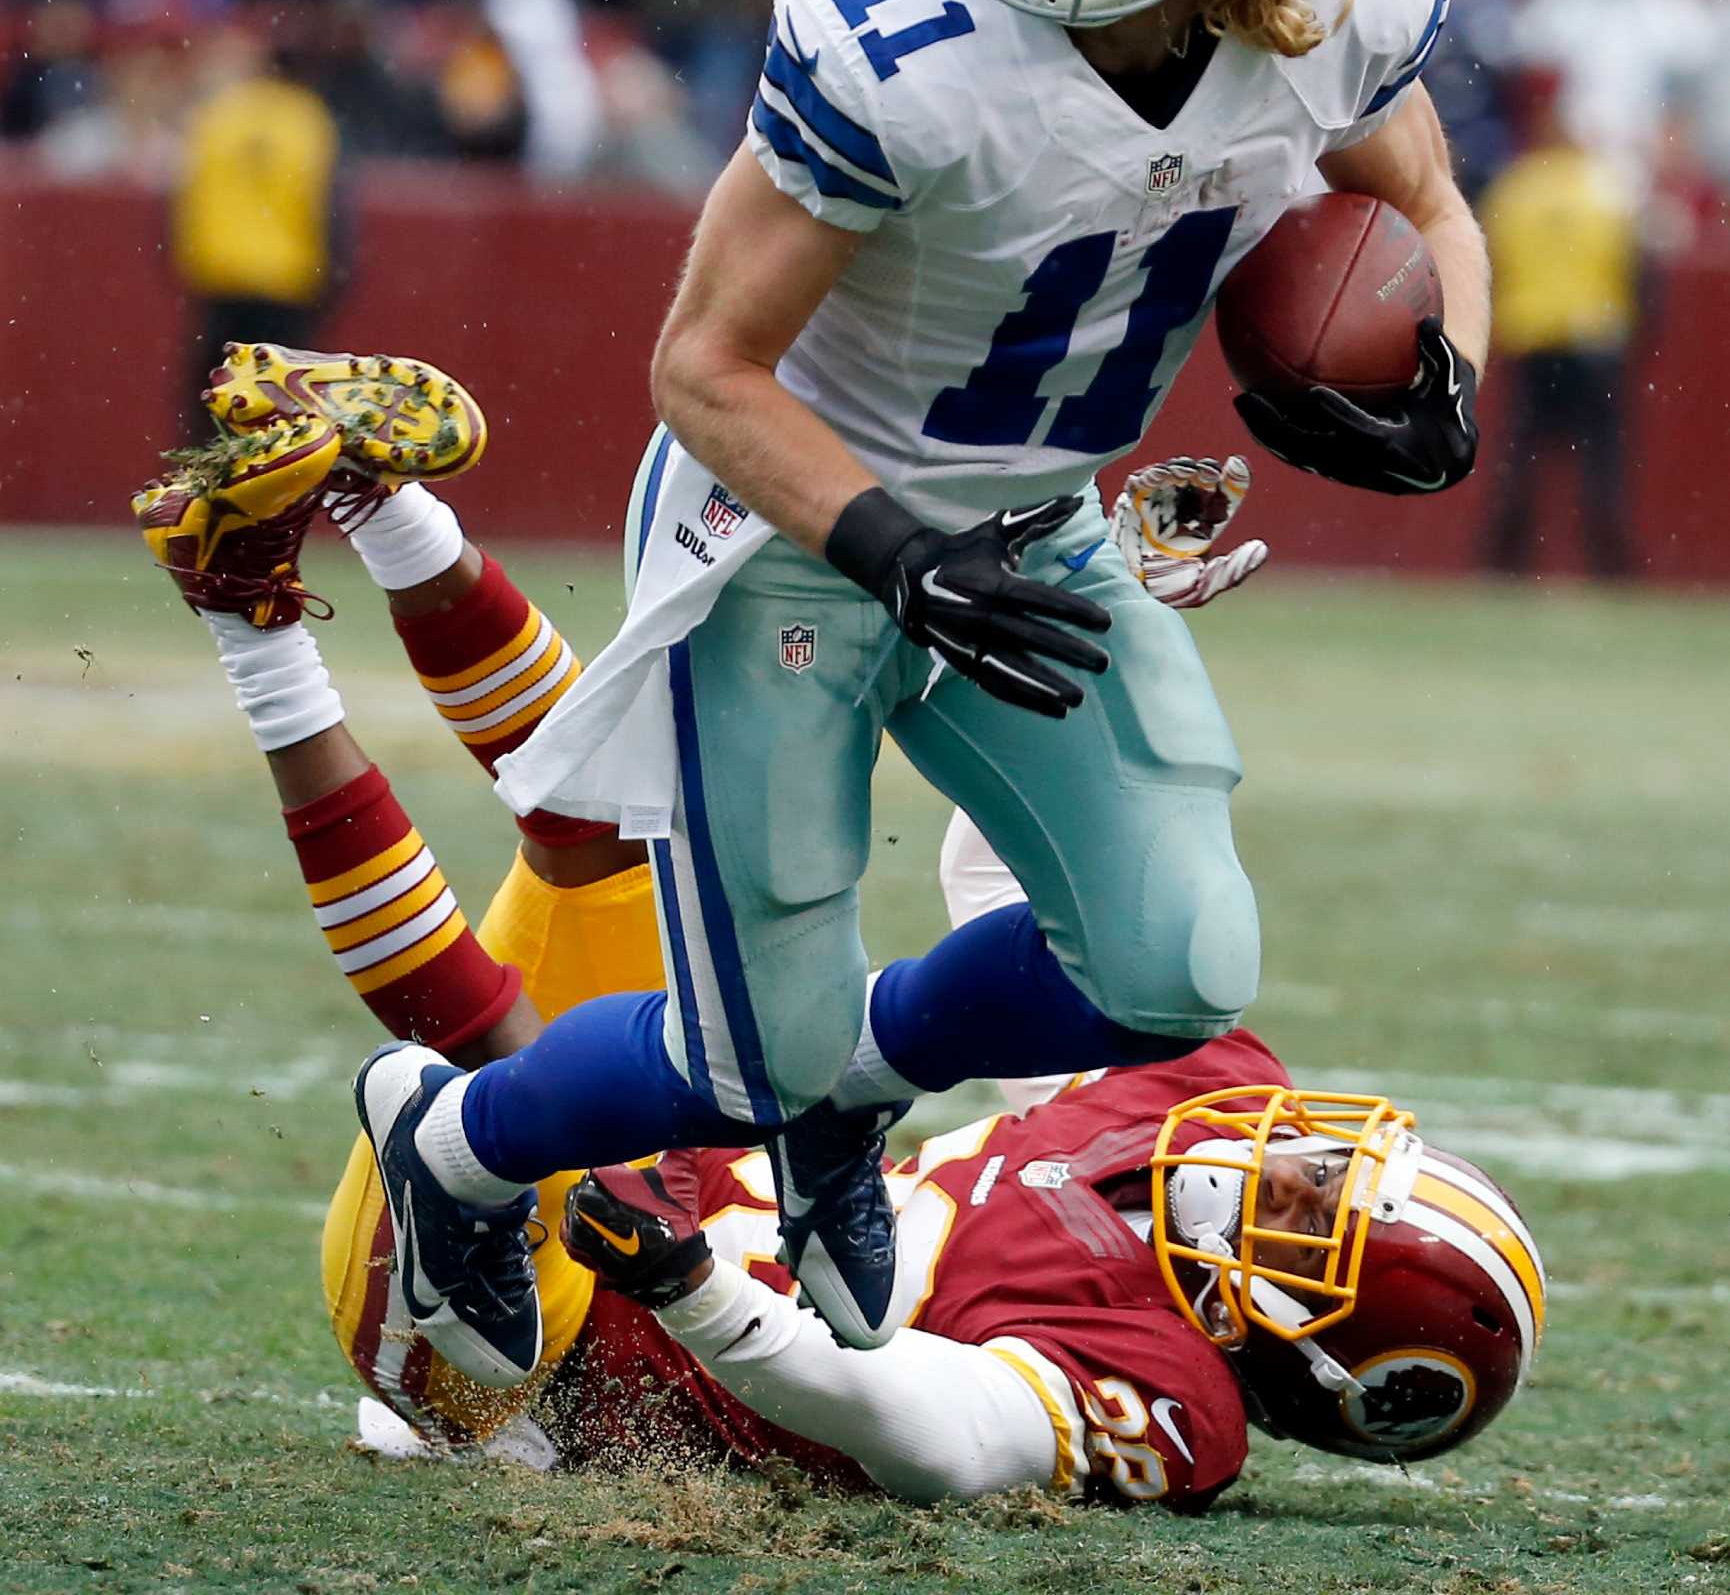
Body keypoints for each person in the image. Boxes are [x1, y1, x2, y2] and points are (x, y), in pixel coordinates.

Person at [339, 0, 1493, 1372]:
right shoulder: (898, 34)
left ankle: (844, 1086)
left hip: (1032, 525)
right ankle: (446, 1144)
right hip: (791, 538)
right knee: (736, 1061)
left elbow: (1418, 204)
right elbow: (701, 370)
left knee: (1175, 966)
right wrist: (889, 546)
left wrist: (1447, 380)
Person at [131, 369, 1539, 1507]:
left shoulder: (1167, 1394)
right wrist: (1105, 638)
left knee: (500, 1047)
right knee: (605, 839)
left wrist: (694, 1298)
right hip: (700, 1143)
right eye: (1321, 1169)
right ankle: (372, 502)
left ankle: (253, 622)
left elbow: (928, 1433)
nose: (1281, 1164)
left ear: (1312, 1352)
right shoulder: (1209, 1102)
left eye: (1307, 1220)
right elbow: (1023, 887)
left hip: (537, 1364)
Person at [1478, 73, 1645, 580]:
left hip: (1533, 338)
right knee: (1602, 464)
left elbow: (1488, 259)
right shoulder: (1609, 186)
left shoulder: (1517, 186)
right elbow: (1634, 266)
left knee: (1521, 461)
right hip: (1594, 339)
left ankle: (1505, 563)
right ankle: (1608, 565)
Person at [170, 39, 349, 432]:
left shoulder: (221, 114)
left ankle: (202, 486)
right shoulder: (307, 120)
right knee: (281, 410)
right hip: (286, 283)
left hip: (222, 278)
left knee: (212, 400)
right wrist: (336, 278)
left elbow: (186, 195)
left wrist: (185, 263)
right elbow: (327, 207)